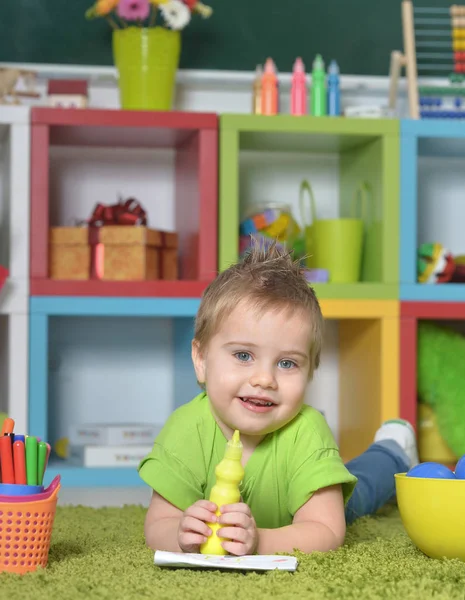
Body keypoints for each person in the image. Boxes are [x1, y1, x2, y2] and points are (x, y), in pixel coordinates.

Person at [138, 242, 418, 556]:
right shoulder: (186, 428)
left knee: (362, 487)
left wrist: (261, 542)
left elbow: (325, 530)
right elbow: (158, 523)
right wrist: (179, 534)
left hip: (308, 507)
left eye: (287, 363)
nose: (264, 379)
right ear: (201, 359)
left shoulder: (307, 430)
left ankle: (393, 449)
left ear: (310, 371)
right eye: (243, 355)